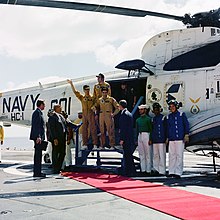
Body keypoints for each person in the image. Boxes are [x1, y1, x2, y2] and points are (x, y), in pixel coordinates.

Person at [67, 80, 98, 150]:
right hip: (84, 115)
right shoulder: (82, 98)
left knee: (93, 129)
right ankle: (85, 144)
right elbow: (75, 92)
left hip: (91, 114)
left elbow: (97, 102)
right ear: (84, 90)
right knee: (84, 129)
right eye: (86, 89)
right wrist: (71, 84)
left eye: (88, 89)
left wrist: (95, 107)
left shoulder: (92, 98)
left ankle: (95, 144)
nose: (87, 91)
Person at [166, 100, 189, 178]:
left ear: (176, 107)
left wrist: (186, 134)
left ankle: (178, 172)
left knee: (179, 155)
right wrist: (167, 137)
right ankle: (171, 171)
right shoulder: (168, 116)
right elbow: (167, 128)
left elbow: (186, 124)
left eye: (173, 106)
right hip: (172, 138)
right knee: (172, 155)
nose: (171, 108)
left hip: (179, 138)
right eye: (170, 106)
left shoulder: (182, 114)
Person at [118, 100, 136, 176]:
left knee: (127, 155)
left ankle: (129, 171)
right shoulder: (129, 114)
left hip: (126, 138)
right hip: (129, 137)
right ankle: (131, 170)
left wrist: (122, 139)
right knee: (129, 155)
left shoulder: (124, 115)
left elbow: (124, 128)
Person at [48, 104, 67, 174]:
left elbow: (67, 123)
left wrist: (76, 126)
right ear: (56, 108)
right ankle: (55, 168)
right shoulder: (52, 117)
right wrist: (54, 138)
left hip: (62, 138)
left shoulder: (61, 116)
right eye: (60, 107)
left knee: (63, 153)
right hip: (57, 139)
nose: (61, 108)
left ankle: (58, 167)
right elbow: (52, 129)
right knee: (55, 154)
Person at [29, 99, 46, 178]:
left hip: (38, 137)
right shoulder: (37, 113)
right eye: (44, 104)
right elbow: (37, 126)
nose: (44, 106)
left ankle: (38, 171)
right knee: (38, 155)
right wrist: (38, 136)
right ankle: (37, 172)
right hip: (38, 137)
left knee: (38, 155)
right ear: (41, 105)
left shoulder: (38, 113)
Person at [136, 104, 152, 175]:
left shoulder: (148, 119)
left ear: (145, 110)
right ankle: (143, 169)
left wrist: (150, 138)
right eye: (140, 109)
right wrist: (136, 138)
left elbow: (151, 129)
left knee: (147, 153)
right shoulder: (138, 120)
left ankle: (148, 169)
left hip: (146, 134)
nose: (140, 111)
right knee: (141, 153)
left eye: (142, 109)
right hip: (140, 135)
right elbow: (137, 129)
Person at [151, 102, 167, 176]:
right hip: (155, 139)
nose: (156, 111)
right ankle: (155, 168)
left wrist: (167, 138)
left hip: (161, 139)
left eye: (157, 109)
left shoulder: (163, 118)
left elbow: (166, 129)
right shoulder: (153, 119)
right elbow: (152, 130)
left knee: (162, 155)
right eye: (155, 110)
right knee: (155, 155)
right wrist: (151, 138)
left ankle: (162, 170)